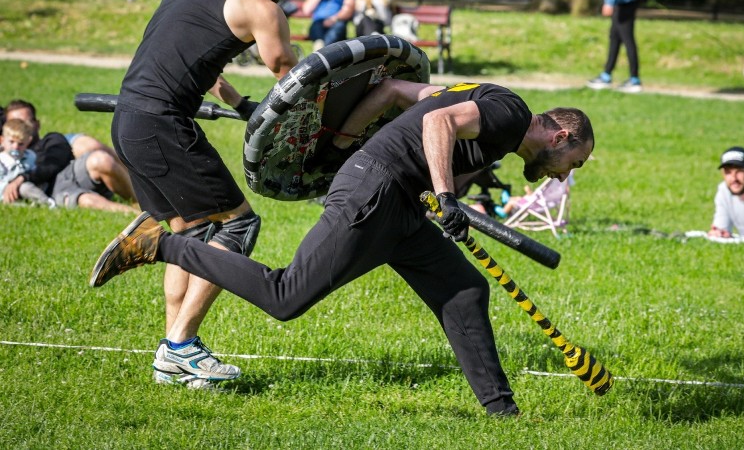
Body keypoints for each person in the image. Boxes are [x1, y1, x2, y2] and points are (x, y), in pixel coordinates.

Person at [90, 79, 595, 416]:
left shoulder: (497, 109)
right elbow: (435, 123)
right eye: (574, 162)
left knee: (463, 288)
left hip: (401, 204)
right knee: (285, 297)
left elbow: (399, 90)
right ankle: (160, 244)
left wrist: (344, 144)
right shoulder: (511, 114)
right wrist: (444, 194)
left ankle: (502, 413)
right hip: (375, 193)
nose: (563, 172)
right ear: (562, 135)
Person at [105, 0, 303, 389]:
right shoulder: (261, 7)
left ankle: (170, 356)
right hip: (162, 124)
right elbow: (296, 86)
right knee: (239, 224)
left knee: (190, 233)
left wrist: (236, 101)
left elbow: (189, 48)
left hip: (129, 119)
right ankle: (180, 346)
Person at [2, 100, 136, 213]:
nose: (20, 128)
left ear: (37, 124)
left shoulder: (52, 140)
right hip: (53, 191)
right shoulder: (5, 156)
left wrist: (22, 178)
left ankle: (141, 202)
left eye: (25, 122)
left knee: (101, 159)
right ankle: (135, 215)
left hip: (70, 173)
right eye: (14, 123)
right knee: (88, 201)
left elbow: (52, 164)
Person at [0, 118, 56, 207]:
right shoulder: (2, 160)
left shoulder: (30, 156)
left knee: (27, 187)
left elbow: (34, 173)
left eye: (21, 144)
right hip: (6, 192)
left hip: (26, 187)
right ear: (2, 141)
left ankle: (46, 202)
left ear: (28, 142)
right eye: (11, 142)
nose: (15, 147)